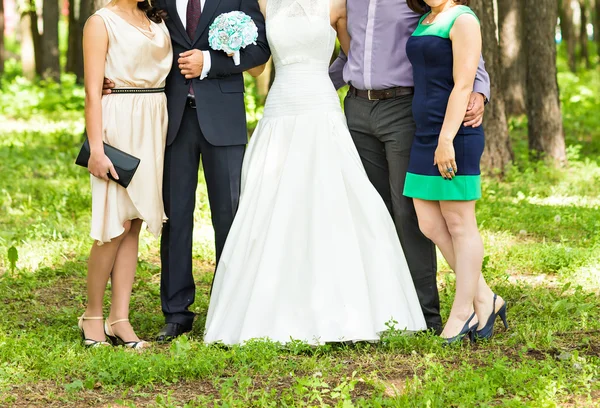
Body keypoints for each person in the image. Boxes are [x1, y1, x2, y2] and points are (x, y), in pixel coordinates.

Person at [203, 0, 427, 346]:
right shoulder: (264, 3)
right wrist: (233, 44)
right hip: (281, 106)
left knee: (333, 199)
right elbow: (257, 67)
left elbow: (356, 60)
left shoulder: (338, 4)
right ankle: (270, 308)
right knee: (272, 204)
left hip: (320, 105)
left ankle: (350, 309)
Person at [102, 0, 270, 341]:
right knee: (175, 217)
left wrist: (210, 61)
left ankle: (230, 308)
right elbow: (140, 38)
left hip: (223, 118)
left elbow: (260, 50)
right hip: (170, 119)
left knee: (229, 215)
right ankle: (176, 313)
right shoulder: (155, 0)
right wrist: (112, 77)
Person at [329, 0, 490, 335]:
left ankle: (423, 314)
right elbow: (348, 54)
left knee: (409, 214)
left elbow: (461, 40)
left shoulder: (417, 0)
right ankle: (383, 307)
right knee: (373, 211)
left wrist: (480, 89)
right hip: (357, 108)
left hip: (402, 108)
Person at [404, 0, 507, 343]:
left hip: (455, 132)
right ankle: (485, 297)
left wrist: (446, 138)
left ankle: (463, 311)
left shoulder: (463, 20)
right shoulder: (425, 20)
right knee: (429, 223)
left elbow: (464, 84)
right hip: (424, 132)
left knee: (460, 223)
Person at [79, 0, 172, 349]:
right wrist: (97, 149)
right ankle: (91, 316)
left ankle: (119, 318)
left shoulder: (153, 16)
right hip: (119, 122)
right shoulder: (100, 22)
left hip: (154, 121)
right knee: (112, 225)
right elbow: (91, 91)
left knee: (133, 223)